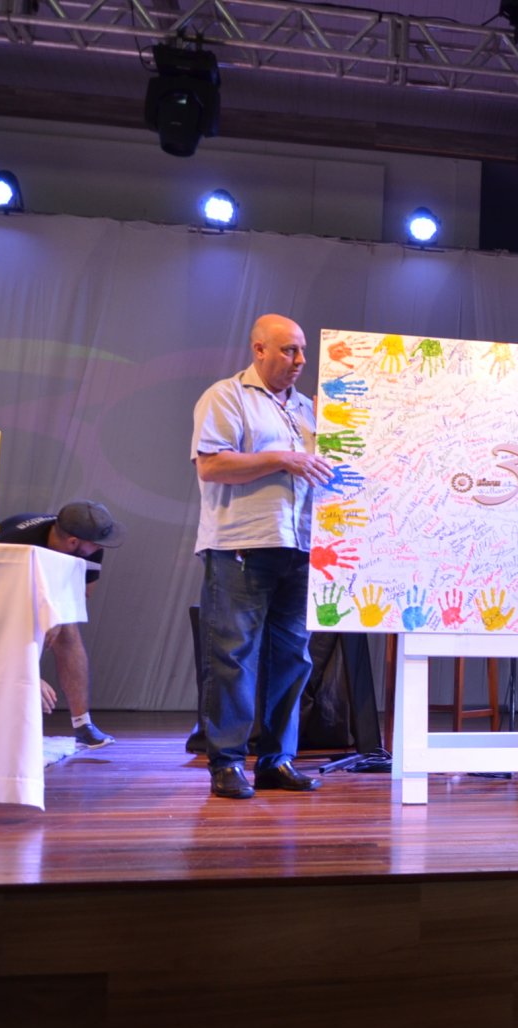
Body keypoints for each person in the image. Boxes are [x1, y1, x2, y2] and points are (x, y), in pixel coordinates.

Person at [191, 313, 333, 799]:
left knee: (292, 659)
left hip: (301, 546)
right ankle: (227, 763)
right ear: (259, 350)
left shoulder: (309, 409)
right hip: (242, 546)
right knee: (232, 656)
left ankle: (277, 761)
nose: (300, 360)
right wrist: (281, 458)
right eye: (290, 350)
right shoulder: (226, 396)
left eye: (302, 350)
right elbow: (212, 465)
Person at [0, 500, 126, 748]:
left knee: (67, 628)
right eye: (97, 543)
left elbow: (81, 595)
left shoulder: (89, 547)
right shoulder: (17, 544)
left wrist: (56, 614)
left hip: (38, 587)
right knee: (23, 633)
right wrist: (28, 672)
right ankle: (3, 723)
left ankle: (83, 725)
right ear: (73, 542)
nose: (101, 546)